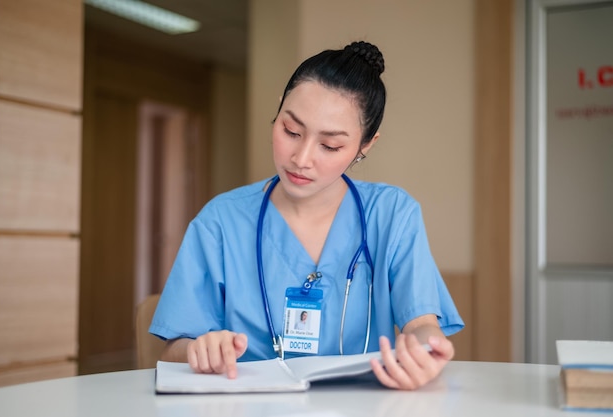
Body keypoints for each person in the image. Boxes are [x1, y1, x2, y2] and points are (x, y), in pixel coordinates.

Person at [149, 40, 464, 390]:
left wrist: (426, 350)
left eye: (330, 146)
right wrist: (200, 349)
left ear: (365, 146)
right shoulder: (221, 221)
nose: (301, 158)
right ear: (278, 112)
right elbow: (173, 349)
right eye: (291, 131)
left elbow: (421, 324)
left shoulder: (392, 214)